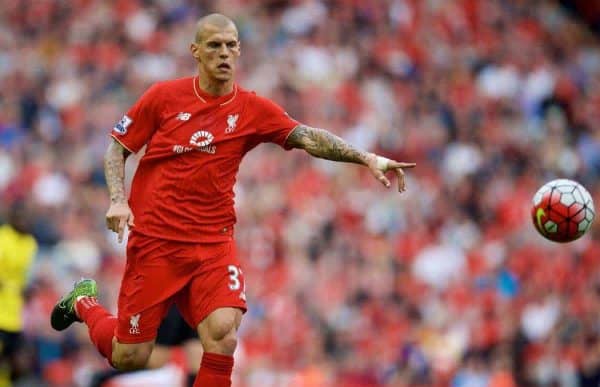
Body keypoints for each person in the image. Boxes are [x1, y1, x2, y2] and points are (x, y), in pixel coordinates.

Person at [50, 13, 415, 387]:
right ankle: (83, 302)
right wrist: (117, 200)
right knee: (129, 356)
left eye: (230, 45)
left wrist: (366, 157)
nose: (224, 53)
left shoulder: (252, 109)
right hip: (157, 243)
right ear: (196, 51)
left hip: (212, 244)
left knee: (223, 334)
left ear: (239, 50)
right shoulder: (163, 98)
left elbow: (308, 137)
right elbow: (117, 149)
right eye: (214, 45)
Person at [90, 305, 202, 387]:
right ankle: (104, 377)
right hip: (170, 297)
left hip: (193, 295)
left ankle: (103, 377)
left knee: (197, 357)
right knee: (157, 359)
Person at [0, 201, 37, 384]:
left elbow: (27, 277)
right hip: (1, 311)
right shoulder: (3, 238)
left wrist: (27, 289)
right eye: (20, 218)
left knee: (14, 361)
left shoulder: (30, 244)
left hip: (16, 316)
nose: (24, 222)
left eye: (27, 218)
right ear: (12, 218)